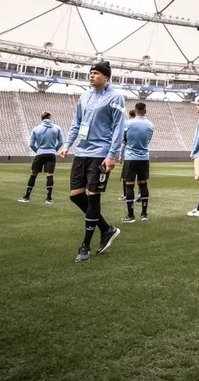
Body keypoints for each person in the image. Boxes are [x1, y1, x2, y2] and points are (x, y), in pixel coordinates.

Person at [59, 61, 124, 263]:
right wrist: (67, 144)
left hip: (101, 153)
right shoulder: (84, 96)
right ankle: (106, 229)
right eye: (90, 73)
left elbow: (118, 127)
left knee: (93, 196)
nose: (92, 75)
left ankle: (85, 246)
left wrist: (112, 155)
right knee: (75, 195)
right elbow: (77, 122)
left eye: (96, 73)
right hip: (82, 152)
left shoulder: (116, 97)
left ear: (106, 78)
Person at [19, 112, 63, 205]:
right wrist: (53, 150)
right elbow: (60, 142)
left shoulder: (36, 129)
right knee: (49, 175)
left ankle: (27, 197)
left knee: (34, 174)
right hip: (51, 154)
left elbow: (31, 144)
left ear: (41, 118)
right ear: (50, 117)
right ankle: (49, 199)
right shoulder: (57, 128)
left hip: (40, 153)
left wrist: (38, 150)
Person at [121, 102, 153, 223]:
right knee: (143, 184)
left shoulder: (128, 123)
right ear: (145, 111)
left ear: (135, 110)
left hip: (130, 157)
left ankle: (130, 215)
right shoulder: (150, 125)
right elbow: (148, 140)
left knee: (129, 184)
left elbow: (124, 139)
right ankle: (144, 214)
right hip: (143, 158)